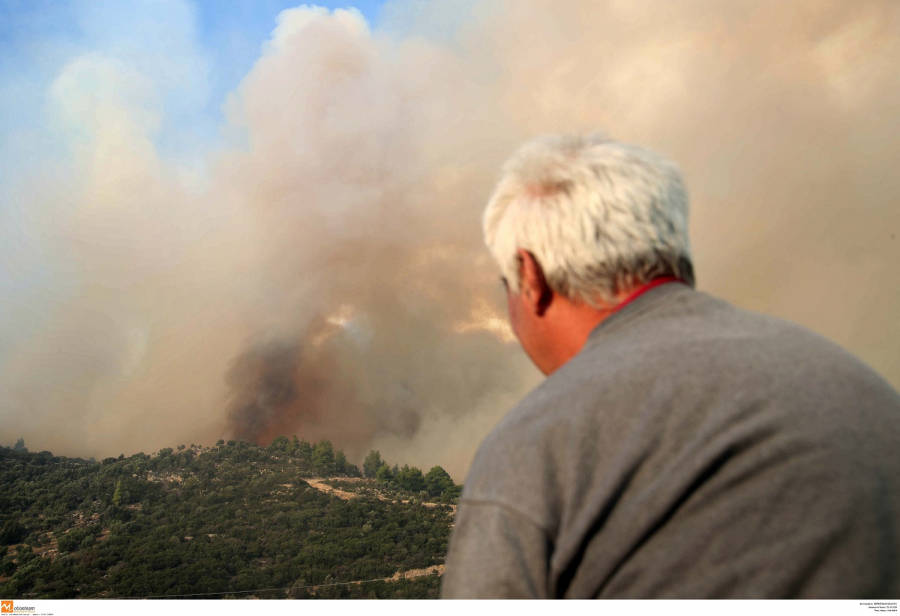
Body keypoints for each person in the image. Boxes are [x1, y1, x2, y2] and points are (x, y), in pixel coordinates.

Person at [440, 134, 900, 599]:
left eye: (507, 284)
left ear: (531, 277)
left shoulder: (539, 444)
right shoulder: (864, 392)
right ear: (671, 250)